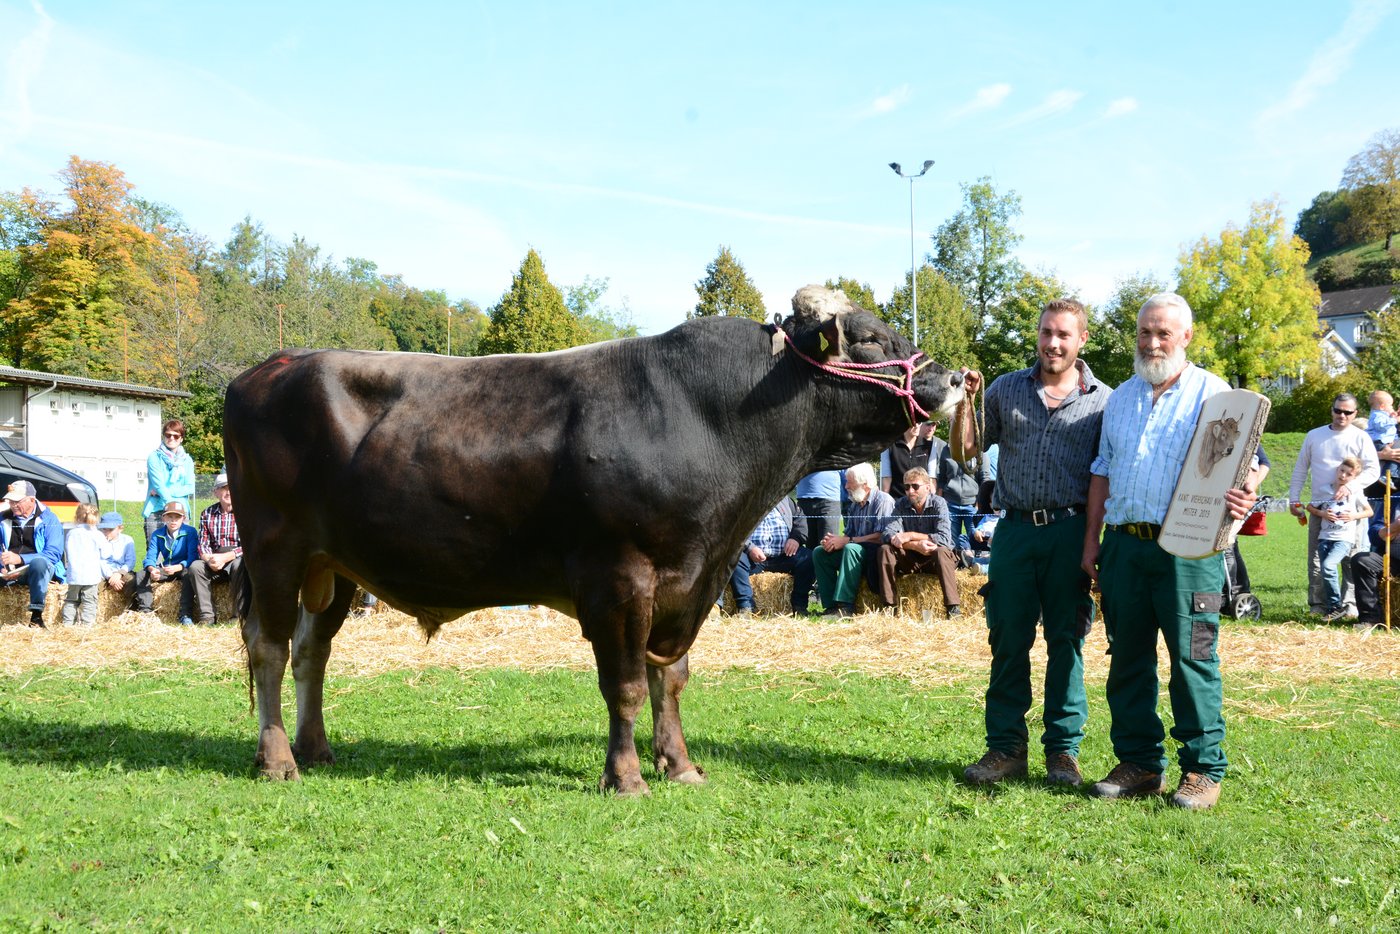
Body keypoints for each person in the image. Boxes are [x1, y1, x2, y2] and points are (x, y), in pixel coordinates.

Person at [1081, 292, 1257, 811]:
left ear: (1186, 336)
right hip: (1125, 549)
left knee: (1194, 657)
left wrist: (1244, 494)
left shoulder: (1216, 394)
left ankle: (1203, 769)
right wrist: (1093, 540)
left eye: (1163, 333)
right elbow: (1102, 471)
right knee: (1127, 659)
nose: (1153, 342)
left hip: (1190, 553)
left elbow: (1246, 466)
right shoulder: (1120, 398)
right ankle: (1139, 764)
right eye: (1145, 332)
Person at [957, 298, 1111, 788]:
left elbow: (1105, 476)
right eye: (1047, 333)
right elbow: (966, 450)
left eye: (1064, 334)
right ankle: (1005, 749)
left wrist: (1093, 542)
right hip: (1015, 531)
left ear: (1082, 339)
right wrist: (965, 402)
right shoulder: (1005, 388)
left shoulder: (1103, 401)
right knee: (1007, 640)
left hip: (1071, 531)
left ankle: (1063, 752)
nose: (1053, 343)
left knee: (1067, 642)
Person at [1288, 394, 1380, 617]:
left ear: (1355, 413)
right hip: (1321, 507)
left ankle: (1350, 604)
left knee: (1351, 557)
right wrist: (1294, 499)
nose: (1342, 415)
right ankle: (1318, 604)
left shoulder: (1361, 437)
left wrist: (1351, 487)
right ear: (1332, 410)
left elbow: (1373, 470)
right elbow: (1301, 469)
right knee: (1317, 558)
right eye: (1338, 410)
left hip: (1351, 509)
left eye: (1347, 412)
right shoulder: (1314, 435)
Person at [872, 467, 961, 616]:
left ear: (927, 487)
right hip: (911, 558)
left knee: (941, 551)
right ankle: (889, 606)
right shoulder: (901, 504)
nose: (910, 491)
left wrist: (910, 535)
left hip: (934, 558)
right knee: (885, 550)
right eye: (907, 487)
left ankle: (953, 608)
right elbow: (887, 534)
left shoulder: (939, 503)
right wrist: (914, 545)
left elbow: (944, 538)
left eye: (915, 486)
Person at [812, 461, 893, 618]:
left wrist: (848, 541)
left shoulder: (884, 501)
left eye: (850, 482)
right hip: (855, 551)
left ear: (865, 484)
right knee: (819, 552)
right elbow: (848, 534)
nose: (846, 486)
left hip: (875, 556)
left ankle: (845, 606)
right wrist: (833, 541)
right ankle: (830, 606)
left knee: (851, 549)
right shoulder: (855, 504)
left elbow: (882, 536)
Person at [1307, 457, 1373, 622]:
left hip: (1343, 539)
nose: (1343, 475)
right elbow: (1310, 506)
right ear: (1337, 470)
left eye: (1349, 474)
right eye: (1342, 471)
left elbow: (1369, 511)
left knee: (1329, 566)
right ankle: (1332, 609)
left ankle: (1337, 606)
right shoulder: (1324, 490)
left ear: (1354, 478)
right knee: (1325, 571)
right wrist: (1322, 513)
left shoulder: (1356, 492)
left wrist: (1353, 516)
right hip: (1324, 538)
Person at [729, 497, 814, 616]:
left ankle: (799, 607)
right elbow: (733, 529)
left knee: (808, 557)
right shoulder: (745, 500)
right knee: (734, 558)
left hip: (784, 556)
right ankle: (745, 607)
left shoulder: (785, 500)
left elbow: (800, 519)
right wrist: (749, 547)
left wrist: (796, 538)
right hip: (752, 557)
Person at [0, 480, 68, 627]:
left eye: (17, 501)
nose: (13, 505)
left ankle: (36, 616)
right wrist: (2, 567)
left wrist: (20, 559)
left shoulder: (50, 519)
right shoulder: (2, 518)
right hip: (9, 571)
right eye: (10, 501)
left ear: (31, 500)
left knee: (39, 563)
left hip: (39, 570)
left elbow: (53, 554)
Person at [181, 472, 243, 626]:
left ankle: (237, 617)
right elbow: (203, 544)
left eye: (231, 488)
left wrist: (227, 557)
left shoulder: (246, 513)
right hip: (214, 557)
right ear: (215, 492)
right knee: (195, 567)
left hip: (236, 557)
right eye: (223, 488)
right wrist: (209, 559)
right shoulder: (207, 513)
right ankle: (207, 617)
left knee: (240, 566)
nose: (228, 492)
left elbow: (249, 545)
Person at [931, 432, 990, 566]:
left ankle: (976, 564)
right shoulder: (946, 449)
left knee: (976, 538)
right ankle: (954, 566)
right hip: (950, 502)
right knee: (952, 541)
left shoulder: (980, 451)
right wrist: (940, 501)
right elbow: (942, 478)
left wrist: (979, 504)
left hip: (972, 503)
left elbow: (985, 480)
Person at [131, 500, 199, 616]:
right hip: (166, 568)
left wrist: (178, 567)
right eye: (170, 517)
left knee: (189, 574)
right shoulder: (157, 534)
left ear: (183, 518)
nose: (173, 520)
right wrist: (153, 569)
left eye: (177, 517)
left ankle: (185, 613)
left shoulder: (190, 532)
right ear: (163, 518)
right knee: (142, 573)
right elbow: (150, 557)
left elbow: (193, 557)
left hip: (183, 568)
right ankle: (146, 611)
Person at [143, 418, 196, 547]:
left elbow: (190, 487)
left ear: (181, 438)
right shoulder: (154, 457)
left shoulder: (187, 460)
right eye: (168, 435)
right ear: (163, 436)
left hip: (181, 511)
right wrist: (169, 500)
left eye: (176, 436)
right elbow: (159, 485)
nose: (171, 438)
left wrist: (163, 492)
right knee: (156, 553)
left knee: (181, 550)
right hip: (157, 511)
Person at [1350, 501, 1398, 632]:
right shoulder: (1393, 500)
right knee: (1362, 561)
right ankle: (1370, 619)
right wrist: (1392, 528)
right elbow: (1374, 533)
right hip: (1392, 559)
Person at [62, 504, 105, 627]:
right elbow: (106, 553)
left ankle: (67, 624)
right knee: (89, 601)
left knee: (71, 600)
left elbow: (68, 550)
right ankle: (87, 626)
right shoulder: (97, 534)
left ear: (77, 517)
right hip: (91, 575)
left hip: (74, 574)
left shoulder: (71, 533)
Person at [879, 422, 935, 499]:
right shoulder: (889, 446)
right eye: (913, 423)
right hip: (897, 499)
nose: (917, 426)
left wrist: (932, 499)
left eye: (919, 423)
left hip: (921, 500)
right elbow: (887, 477)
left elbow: (931, 478)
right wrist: (885, 499)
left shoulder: (929, 446)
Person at [795, 470, 844, 547]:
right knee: (809, 546)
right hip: (803, 500)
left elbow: (845, 475)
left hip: (829, 501)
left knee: (828, 544)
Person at [98, 511, 137, 594]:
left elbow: (130, 561)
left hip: (122, 571)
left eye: (111, 530)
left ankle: (130, 601)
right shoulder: (99, 540)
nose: (106, 533)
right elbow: (100, 560)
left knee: (133, 582)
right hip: (103, 573)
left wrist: (120, 573)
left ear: (120, 529)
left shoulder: (127, 540)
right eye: (104, 529)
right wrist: (110, 576)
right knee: (93, 587)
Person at [1366, 390, 1398, 483]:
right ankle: (1387, 475)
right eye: (1391, 405)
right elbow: (1381, 426)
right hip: (1379, 441)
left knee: (1394, 455)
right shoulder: (1377, 415)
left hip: (1384, 441)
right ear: (1382, 406)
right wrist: (1394, 420)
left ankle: (1390, 475)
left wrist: (1392, 417)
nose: (1392, 408)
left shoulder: (1383, 416)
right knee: (1393, 455)